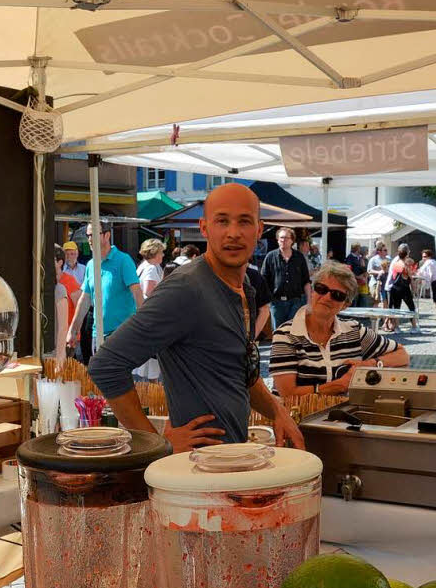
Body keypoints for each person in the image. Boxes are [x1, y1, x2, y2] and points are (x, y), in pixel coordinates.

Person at [88, 183, 304, 452]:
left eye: (244, 222)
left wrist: (277, 411)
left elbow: (242, 372)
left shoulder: (245, 288)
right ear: (204, 228)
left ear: (259, 230)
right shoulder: (186, 288)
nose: (233, 233)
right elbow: (105, 366)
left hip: (229, 462)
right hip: (194, 473)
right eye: (222, 221)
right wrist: (154, 445)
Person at [270, 261, 408, 396]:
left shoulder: (354, 330)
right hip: (295, 416)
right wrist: (338, 386)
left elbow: (402, 355)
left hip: (339, 415)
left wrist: (369, 363)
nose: (327, 297)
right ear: (312, 291)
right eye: (321, 289)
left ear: (345, 305)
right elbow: (287, 394)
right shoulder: (286, 335)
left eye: (337, 295)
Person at [66, 221, 143, 349]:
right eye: (88, 235)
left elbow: (137, 293)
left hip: (122, 334)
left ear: (107, 236)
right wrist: (73, 331)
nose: (90, 239)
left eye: (94, 235)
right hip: (98, 335)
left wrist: (143, 327)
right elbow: (84, 299)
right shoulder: (91, 264)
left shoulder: (123, 260)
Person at [261, 226, 311, 329]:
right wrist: (266, 301)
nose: (283, 240)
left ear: (292, 240)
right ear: (277, 240)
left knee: (293, 332)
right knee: (278, 332)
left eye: (286, 238)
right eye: (281, 238)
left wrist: (309, 301)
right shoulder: (270, 257)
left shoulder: (299, 257)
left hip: (296, 301)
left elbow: (306, 281)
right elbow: (263, 280)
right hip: (276, 302)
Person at [135, 238, 166, 381]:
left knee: (148, 358)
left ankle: (150, 387)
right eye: (161, 252)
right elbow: (148, 290)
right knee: (153, 357)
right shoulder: (152, 268)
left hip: (142, 314)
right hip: (151, 315)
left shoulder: (143, 266)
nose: (163, 255)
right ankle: (154, 388)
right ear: (155, 252)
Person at [383, 245, 416, 333]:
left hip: (394, 288)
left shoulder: (395, 263)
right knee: (411, 307)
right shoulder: (405, 265)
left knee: (396, 308)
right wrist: (414, 289)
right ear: (406, 254)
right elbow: (410, 278)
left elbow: (393, 276)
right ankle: (414, 327)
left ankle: (397, 327)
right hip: (404, 288)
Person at [415, 249, 436, 334]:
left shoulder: (429, 262)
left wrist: (421, 280)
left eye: (425, 256)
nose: (423, 258)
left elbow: (428, 275)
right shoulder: (434, 262)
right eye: (422, 257)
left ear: (429, 256)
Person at [366, 241, 389, 307]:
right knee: (376, 301)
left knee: (386, 301)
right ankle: (374, 317)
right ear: (379, 251)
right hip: (375, 282)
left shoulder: (388, 259)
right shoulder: (373, 259)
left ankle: (384, 317)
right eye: (385, 250)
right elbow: (369, 270)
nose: (386, 252)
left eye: (386, 250)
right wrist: (379, 272)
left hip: (385, 283)